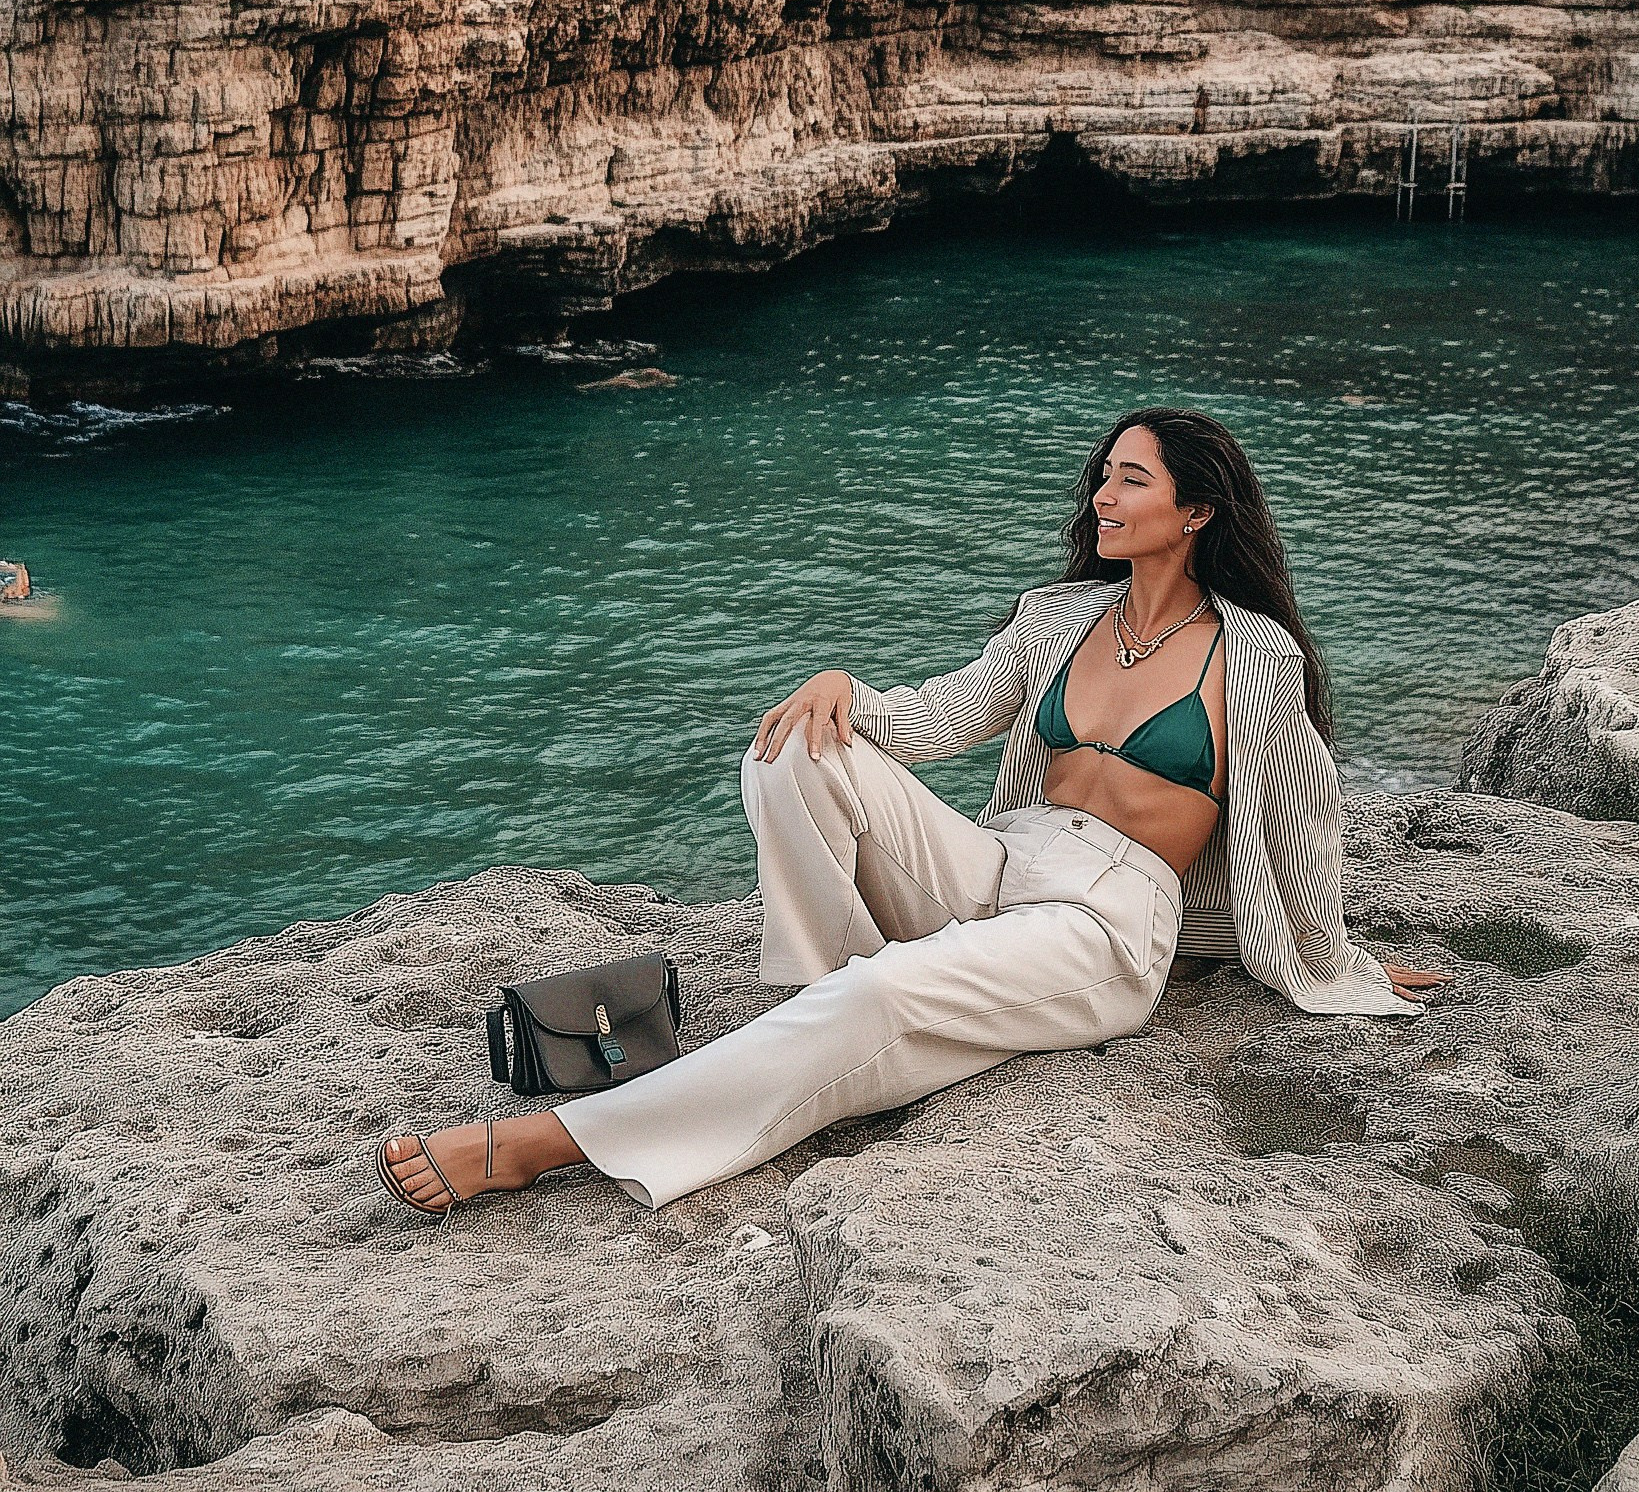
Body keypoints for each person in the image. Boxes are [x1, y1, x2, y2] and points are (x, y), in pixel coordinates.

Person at [379, 408, 1446, 1216]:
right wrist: (845, 685)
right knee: (794, 750)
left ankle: (555, 1142)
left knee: (886, 996)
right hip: (997, 864)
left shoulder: (1255, 653)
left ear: (1198, 510)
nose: (1100, 500)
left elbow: (1302, 821)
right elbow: (936, 721)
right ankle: (818, 999)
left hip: (1108, 923)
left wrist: (1329, 953)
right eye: (1100, 480)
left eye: (1129, 481)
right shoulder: (1057, 617)